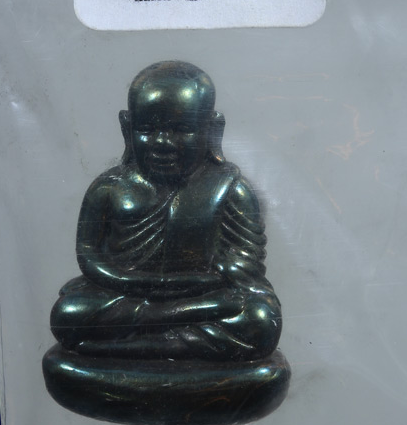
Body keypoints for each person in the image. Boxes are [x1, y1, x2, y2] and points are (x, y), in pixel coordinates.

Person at [49, 60, 282, 362]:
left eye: (182, 130)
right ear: (127, 127)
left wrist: (193, 288)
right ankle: (166, 340)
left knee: (260, 318)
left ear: (212, 129)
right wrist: (138, 285)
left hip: (200, 297)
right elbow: (89, 258)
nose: (162, 143)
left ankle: (118, 347)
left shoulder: (230, 189)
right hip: (132, 295)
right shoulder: (109, 188)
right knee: (69, 313)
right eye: (147, 129)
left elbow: (246, 268)